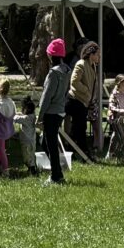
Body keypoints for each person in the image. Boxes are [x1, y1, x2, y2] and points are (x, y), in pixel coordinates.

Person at [36, 38, 74, 183]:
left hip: (51, 113)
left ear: (50, 55)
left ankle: (56, 175)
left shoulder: (53, 73)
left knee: (50, 145)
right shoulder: (67, 71)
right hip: (60, 110)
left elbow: (47, 97)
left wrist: (40, 116)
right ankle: (56, 171)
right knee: (46, 142)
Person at [68, 40, 104, 159]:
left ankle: (71, 152)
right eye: (97, 54)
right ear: (91, 54)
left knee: (77, 129)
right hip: (76, 100)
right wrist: (86, 91)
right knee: (80, 129)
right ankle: (85, 155)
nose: (99, 57)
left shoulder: (92, 66)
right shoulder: (81, 64)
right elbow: (74, 81)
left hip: (84, 102)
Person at [104, 73, 124, 163]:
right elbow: (111, 106)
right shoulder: (115, 94)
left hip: (123, 119)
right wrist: (120, 110)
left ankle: (110, 154)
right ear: (120, 83)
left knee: (116, 137)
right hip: (115, 119)